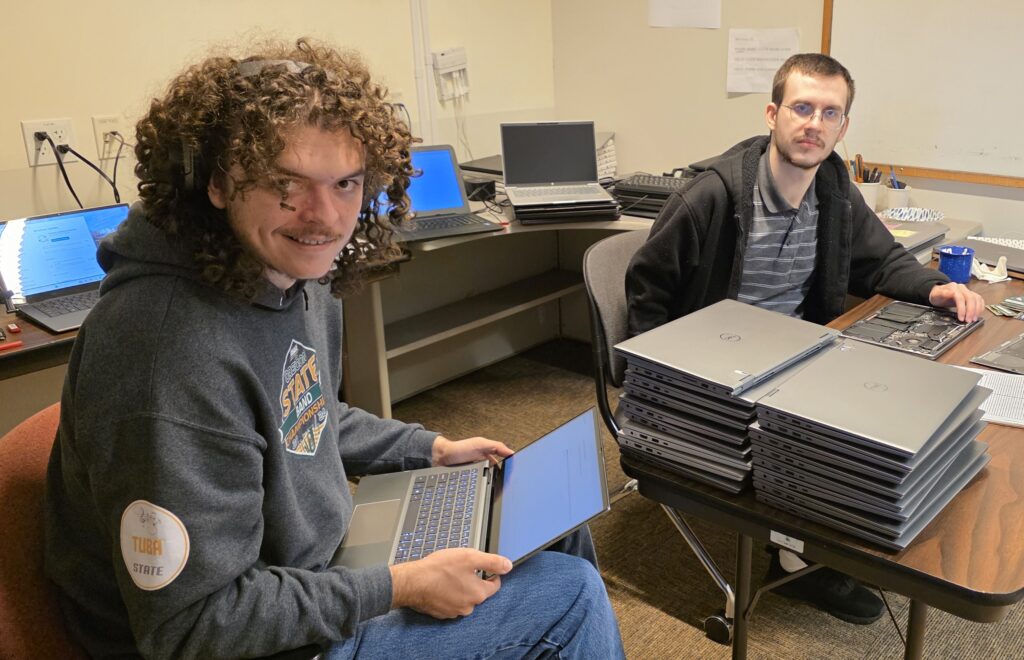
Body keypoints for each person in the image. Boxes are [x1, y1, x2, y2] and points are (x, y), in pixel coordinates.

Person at [44, 38, 624, 660]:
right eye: (285, 184)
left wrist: (430, 448)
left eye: (346, 183)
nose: (324, 217)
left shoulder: (291, 269)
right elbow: (192, 625)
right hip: (242, 634)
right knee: (569, 596)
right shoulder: (167, 355)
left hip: (306, 563)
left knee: (543, 526)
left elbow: (305, 414)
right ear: (216, 182)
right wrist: (400, 587)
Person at [625, 53, 985, 624]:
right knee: (826, 434)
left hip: (798, 354)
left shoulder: (835, 187)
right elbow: (647, 290)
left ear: (843, 127)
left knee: (887, 408)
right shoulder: (711, 196)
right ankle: (795, 565)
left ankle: (833, 540)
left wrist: (934, 287)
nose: (813, 123)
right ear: (773, 114)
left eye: (829, 112)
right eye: (801, 107)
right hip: (719, 367)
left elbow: (881, 259)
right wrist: (655, 387)